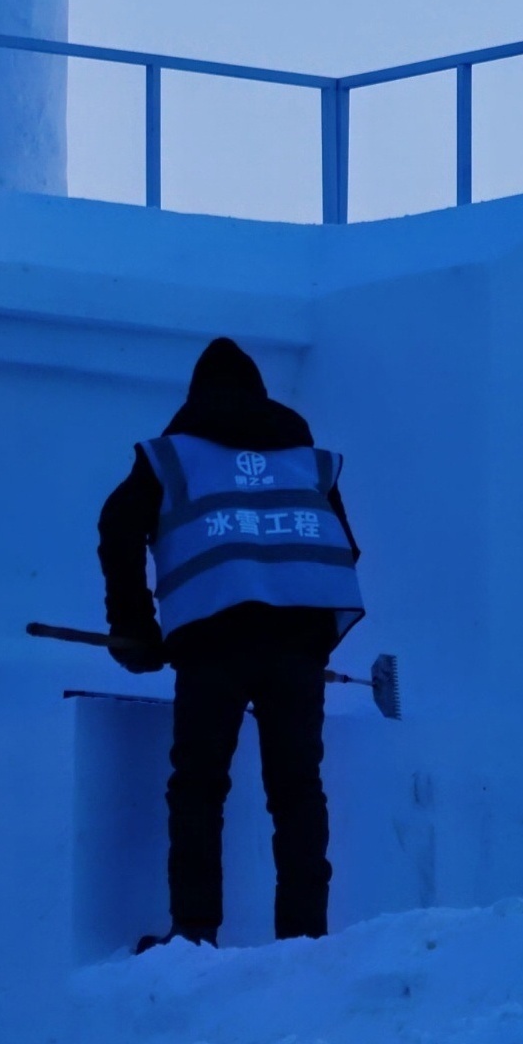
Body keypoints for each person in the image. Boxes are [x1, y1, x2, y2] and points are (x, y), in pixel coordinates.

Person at [97, 338, 366, 945]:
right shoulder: (305, 460)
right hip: (296, 641)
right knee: (297, 788)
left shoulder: (172, 456)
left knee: (199, 784)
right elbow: (341, 547)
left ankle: (193, 934)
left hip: (214, 639)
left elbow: (118, 525)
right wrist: (309, 640)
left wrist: (135, 628)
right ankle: (304, 939)